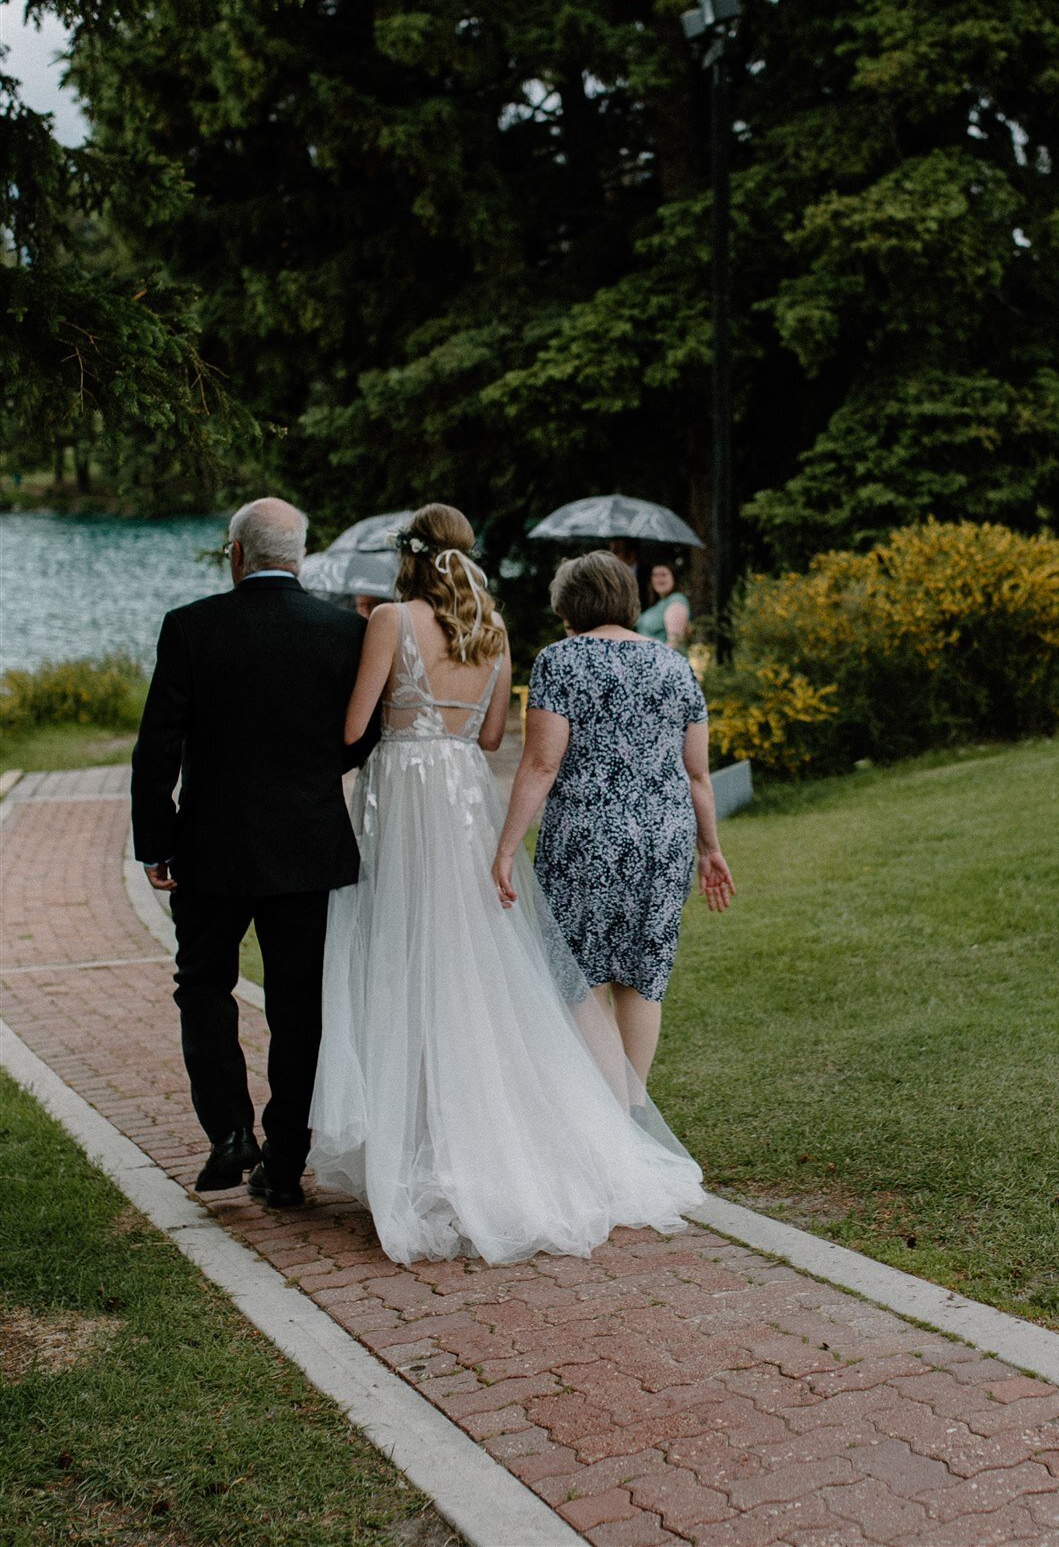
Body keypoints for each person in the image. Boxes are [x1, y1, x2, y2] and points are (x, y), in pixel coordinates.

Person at [309, 505, 704, 1265]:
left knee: (403, 953)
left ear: (408, 557)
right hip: (462, 800)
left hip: (405, 796)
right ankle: (511, 1127)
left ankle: (418, 1139)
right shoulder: (491, 626)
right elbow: (492, 739)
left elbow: (355, 727)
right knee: (475, 963)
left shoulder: (390, 618)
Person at [131, 497, 374, 1211]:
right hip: (307, 844)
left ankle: (230, 1131)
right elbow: (361, 737)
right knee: (299, 1004)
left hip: (212, 846)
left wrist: (156, 840)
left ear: (236, 554)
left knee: (203, 984)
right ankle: (285, 1160)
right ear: (298, 556)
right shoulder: (345, 632)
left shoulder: (191, 627)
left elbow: (158, 746)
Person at [493, 550, 734, 1088]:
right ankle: (635, 1115)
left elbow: (540, 763)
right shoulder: (674, 665)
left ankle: (617, 1123)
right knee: (642, 980)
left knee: (582, 979)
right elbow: (698, 773)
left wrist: (506, 847)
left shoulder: (561, 660)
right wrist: (709, 848)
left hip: (588, 838)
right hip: (664, 840)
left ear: (570, 603)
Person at [637, 559, 692, 649]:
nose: (659, 579)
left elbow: (674, 642)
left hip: (663, 660)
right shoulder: (659, 603)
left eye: (663, 574)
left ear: (674, 577)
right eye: (655, 575)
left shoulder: (676, 601)